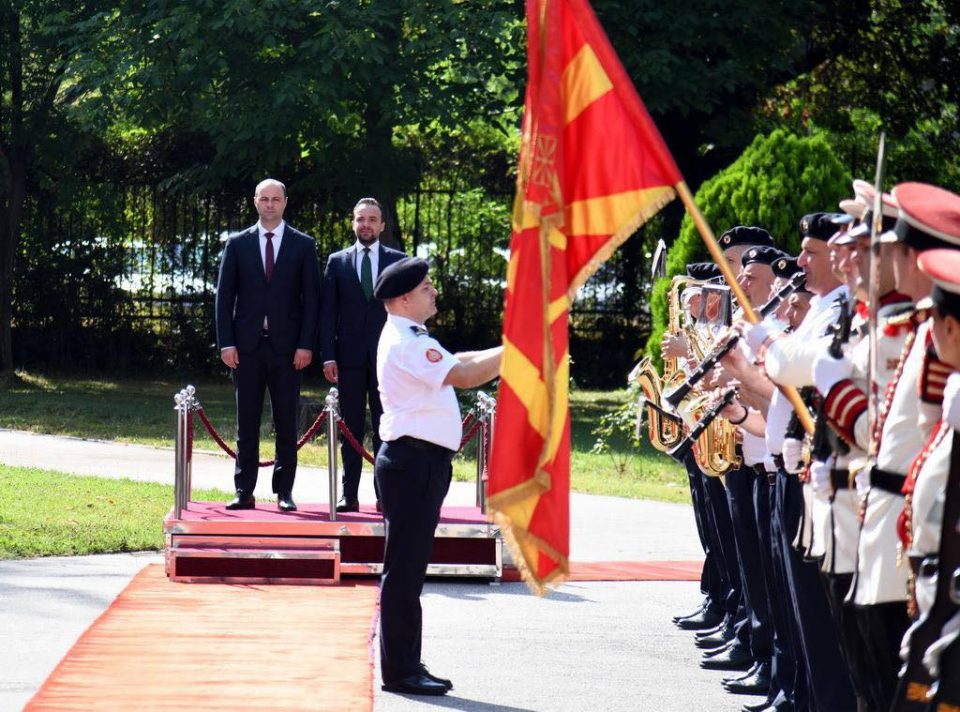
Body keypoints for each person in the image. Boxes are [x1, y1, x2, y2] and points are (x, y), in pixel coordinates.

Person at [373, 257, 502, 696]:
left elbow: (457, 360)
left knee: (408, 569)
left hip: (418, 463)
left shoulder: (411, 336)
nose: (434, 292)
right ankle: (401, 670)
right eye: (427, 287)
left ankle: (405, 661)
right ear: (405, 298)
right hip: (412, 464)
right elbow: (464, 376)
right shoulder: (407, 341)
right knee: (405, 572)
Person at [215, 178, 320, 512]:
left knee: (287, 423)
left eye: (276, 199)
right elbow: (223, 297)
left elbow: (312, 301)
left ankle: (284, 492)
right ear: (255, 202)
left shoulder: (303, 245)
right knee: (247, 422)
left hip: (288, 349)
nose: (270, 204)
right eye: (265, 199)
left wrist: (306, 344)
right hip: (245, 347)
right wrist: (225, 343)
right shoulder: (237, 243)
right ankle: (243, 491)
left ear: (285, 202)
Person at [321, 198, 406, 512]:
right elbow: (327, 314)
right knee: (350, 428)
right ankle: (350, 495)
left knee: (388, 426)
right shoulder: (337, 261)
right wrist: (328, 356)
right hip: (348, 359)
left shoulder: (398, 261)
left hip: (389, 361)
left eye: (372, 219)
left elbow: (408, 312)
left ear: (382, 225)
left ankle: (386, 495)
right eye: (361, 219)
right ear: (353, 223)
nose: (366, 225)